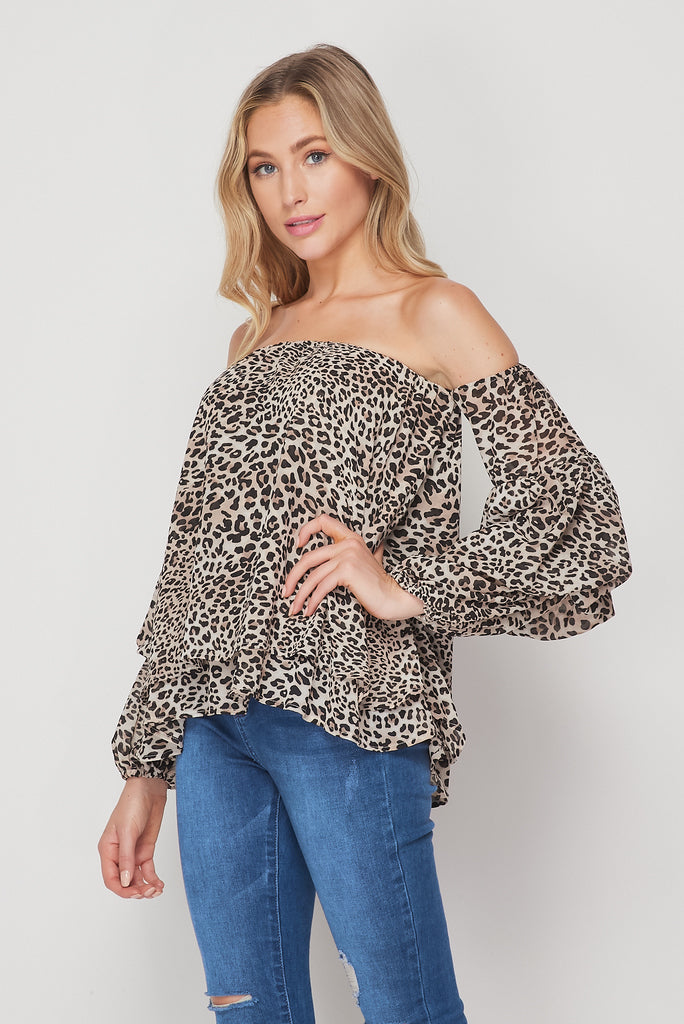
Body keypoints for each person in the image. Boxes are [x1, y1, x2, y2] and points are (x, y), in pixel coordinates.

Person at [98, 43, 632, 1023]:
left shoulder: (436, 311)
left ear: (367, 159)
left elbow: (575, 513)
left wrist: (407, 584)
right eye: (265, 167)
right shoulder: (255, 335)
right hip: (215, 728)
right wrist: (146, 765)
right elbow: (194, 559)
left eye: (314, 155)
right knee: (246, 1011)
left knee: (404, 1007)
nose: (289, 191)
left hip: (351, 713)